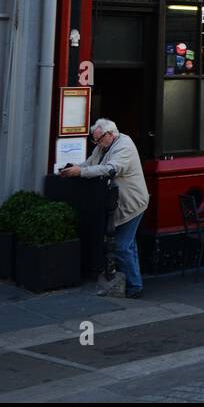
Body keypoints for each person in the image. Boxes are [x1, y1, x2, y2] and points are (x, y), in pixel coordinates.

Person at [60, 118, 150, 299]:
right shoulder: (103, 146)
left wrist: (81, 172)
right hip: (121, 204)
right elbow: (91, 163)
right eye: (95, 140)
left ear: (110, 134)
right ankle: (135, 283)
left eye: (99, 139)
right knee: (128, 245)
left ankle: (135, 287)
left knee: (121, 246)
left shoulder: (125, 146)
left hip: (133, 204)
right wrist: (75, 168)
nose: (97, 143)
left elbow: (111, 169)